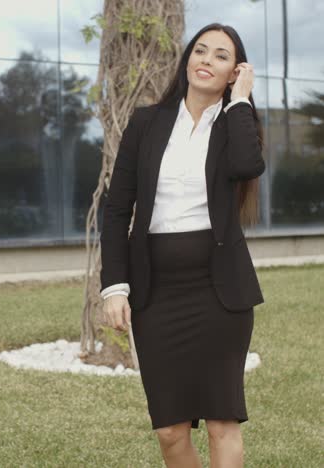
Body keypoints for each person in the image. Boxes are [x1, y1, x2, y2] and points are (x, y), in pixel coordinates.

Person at [99, 22, 266, 468]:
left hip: (220, 294)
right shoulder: (146, 123)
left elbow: (249, 165)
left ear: (234, 72)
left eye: (221, 55)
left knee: (221, 424)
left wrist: (241, 101)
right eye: (200, 50)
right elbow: (117, 209)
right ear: (187, 59)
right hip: (156, 294)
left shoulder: (236, 123)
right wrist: (114, 285)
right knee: (171, 432)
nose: (206, 60)